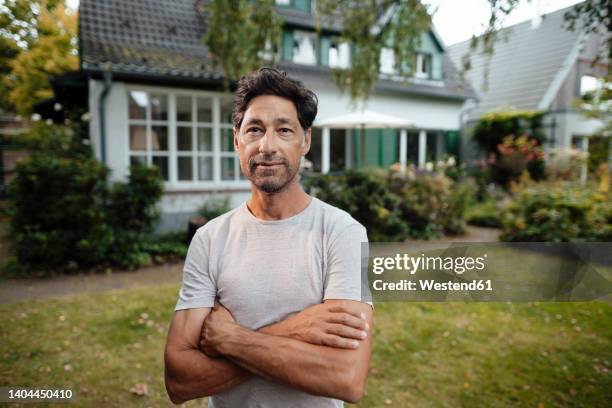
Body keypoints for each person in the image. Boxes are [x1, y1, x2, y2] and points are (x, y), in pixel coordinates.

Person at [164, 68, 373, 407]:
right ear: (237, 140)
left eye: (284, 130)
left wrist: (229, 339)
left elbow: (346, 378)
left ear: (305, 140)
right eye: (255, 129)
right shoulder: (209, 239)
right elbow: (180, 380)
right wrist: (297, 329)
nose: (267, 145)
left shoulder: (344, 233)